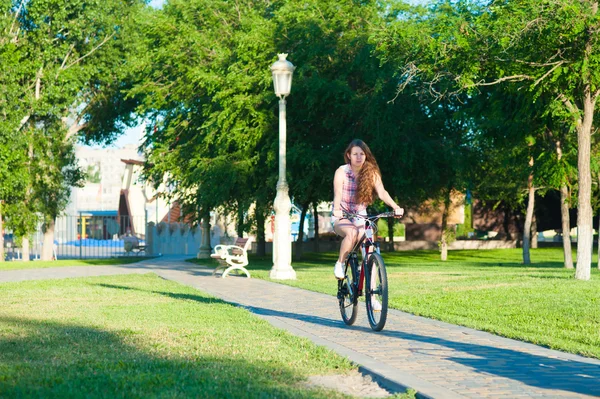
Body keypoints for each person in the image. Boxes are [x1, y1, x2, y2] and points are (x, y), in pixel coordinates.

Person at [332, 139, 404, 280]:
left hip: (360, 215)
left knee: (369, 247)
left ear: (366, 156)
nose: (359, 157)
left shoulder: (371, 173)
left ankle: (372, 295)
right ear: (348, 155)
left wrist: (395, 207)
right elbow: (338, 194)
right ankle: (340, 263)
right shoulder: (341, 171)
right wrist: (336, 209)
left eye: (362, 154)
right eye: (355, 154)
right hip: (342, 214)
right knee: (352, 232)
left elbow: (382, 193)